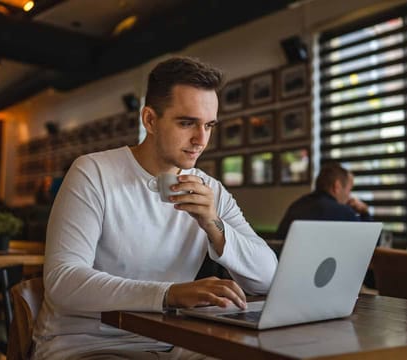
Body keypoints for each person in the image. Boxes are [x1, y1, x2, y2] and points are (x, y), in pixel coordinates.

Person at [33, 56, 277, 359]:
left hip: (173, 342)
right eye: (187, 123)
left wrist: (213, 224)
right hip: (86, 344)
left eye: (209, 125)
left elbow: (268, 277)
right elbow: (63, 280)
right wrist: (169, 293)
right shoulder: (93, 172)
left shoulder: (210, 190)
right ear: (149, 120)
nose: (201, 139)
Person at [275, 162, 371, 241]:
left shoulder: (296, 206)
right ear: (337, 186)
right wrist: (365, 212)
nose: (349, 196)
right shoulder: (343, 212)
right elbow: (371, 243)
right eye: (349, 190)